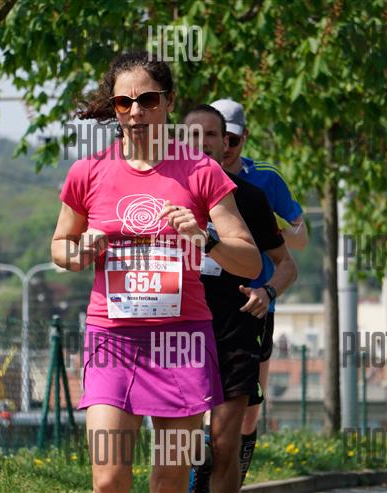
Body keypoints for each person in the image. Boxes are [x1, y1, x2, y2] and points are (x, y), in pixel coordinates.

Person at [51, 52, 262, 493]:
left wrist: (205, 239)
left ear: (168, 102)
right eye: (124, 102)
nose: (136, 112)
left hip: (181, 340)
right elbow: (59, 248)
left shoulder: (201, 171)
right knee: (108, 479)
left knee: (169, 479)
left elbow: (250, 261)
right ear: (114, 108)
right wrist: (81, 251)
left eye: (147, 100)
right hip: (112, 338)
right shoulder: (88, 171)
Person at [183, 105, 297, 493]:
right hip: (177, 334)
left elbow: (286, 265)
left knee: (224, 446)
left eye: (212, 135)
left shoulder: (249, 197)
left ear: (226, 144)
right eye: (193, 135)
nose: (202, 143)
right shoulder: (164, 194)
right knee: (183, 448)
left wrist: (268, 291)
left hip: (234, 332)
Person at [209, 99, 309, 485]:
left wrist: (267, 229)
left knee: (247, 412)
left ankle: (234, 475)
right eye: (207, 138)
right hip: (203, 305)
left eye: (231, 140)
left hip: (254, 303)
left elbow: (300, 239)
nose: (224, 148)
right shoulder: (184, 179)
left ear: (241, 137)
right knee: (202, 414)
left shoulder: (262, 182)